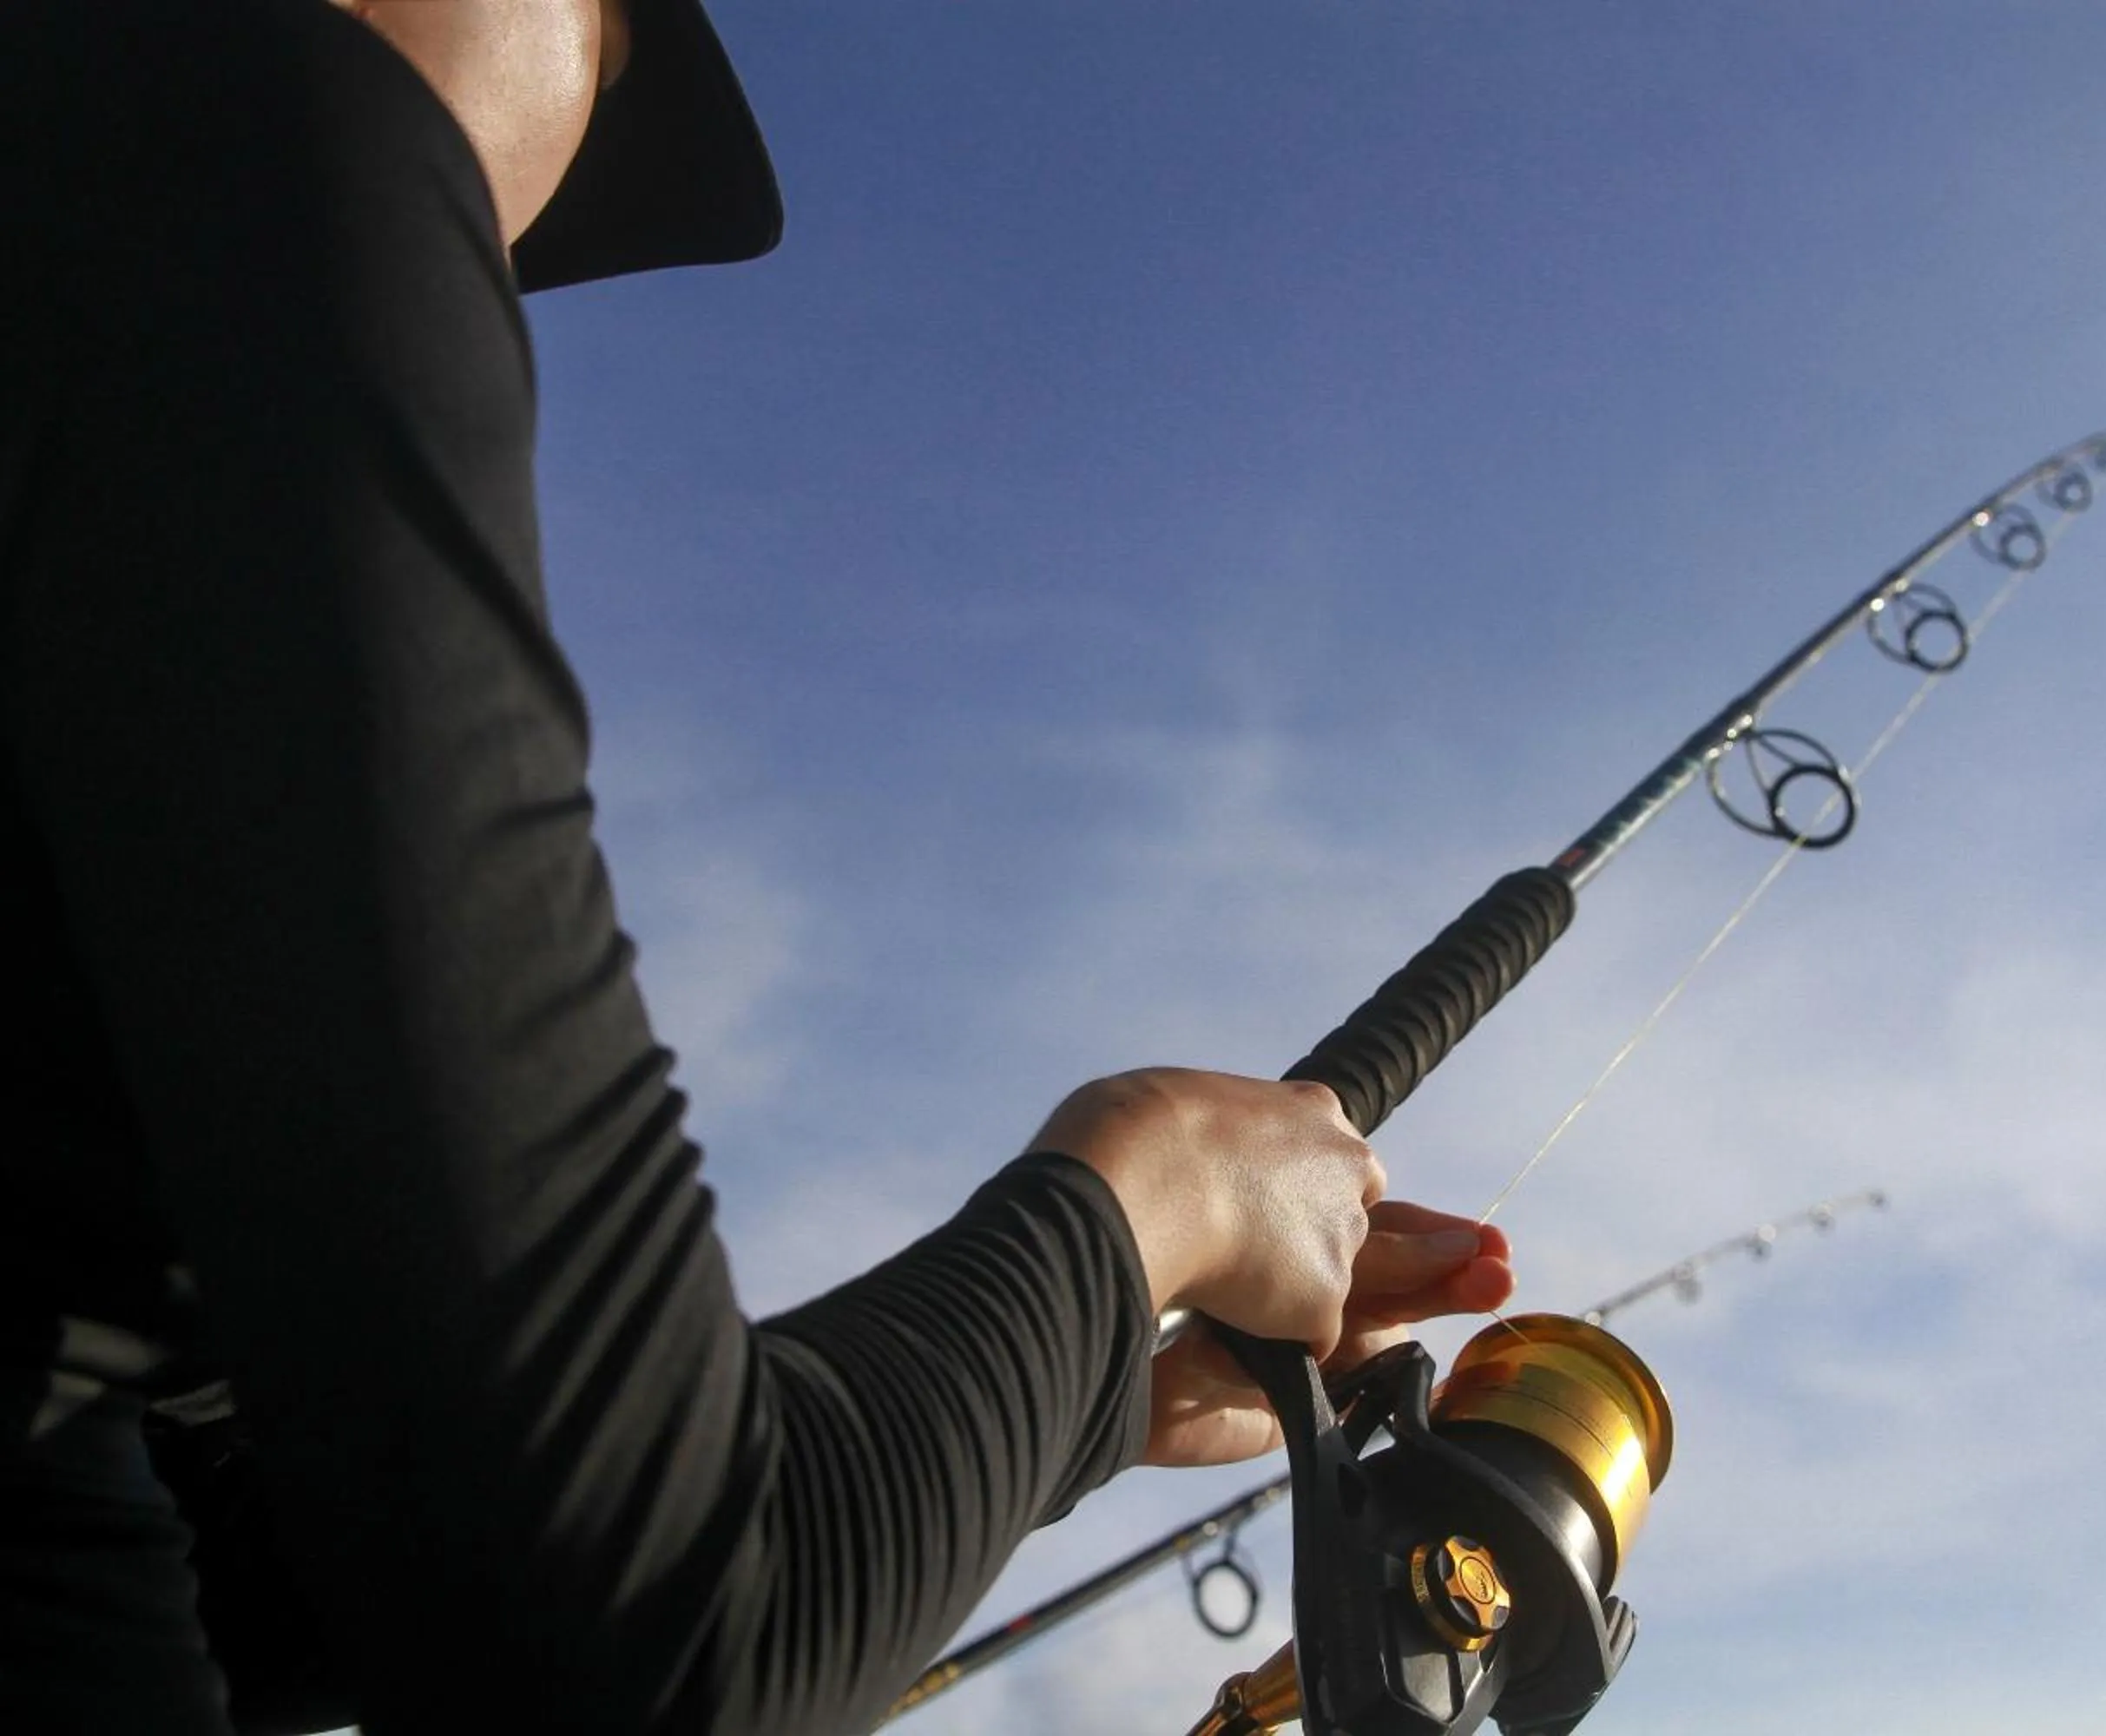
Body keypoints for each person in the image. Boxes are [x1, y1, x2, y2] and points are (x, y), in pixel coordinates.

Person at [0, 3, 1516, 1731]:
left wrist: (1074, 1390)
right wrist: (1154, 1184)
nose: (526, 238)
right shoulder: (246, 126)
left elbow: (284, 1549)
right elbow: (651, 1653)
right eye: (614, 44)